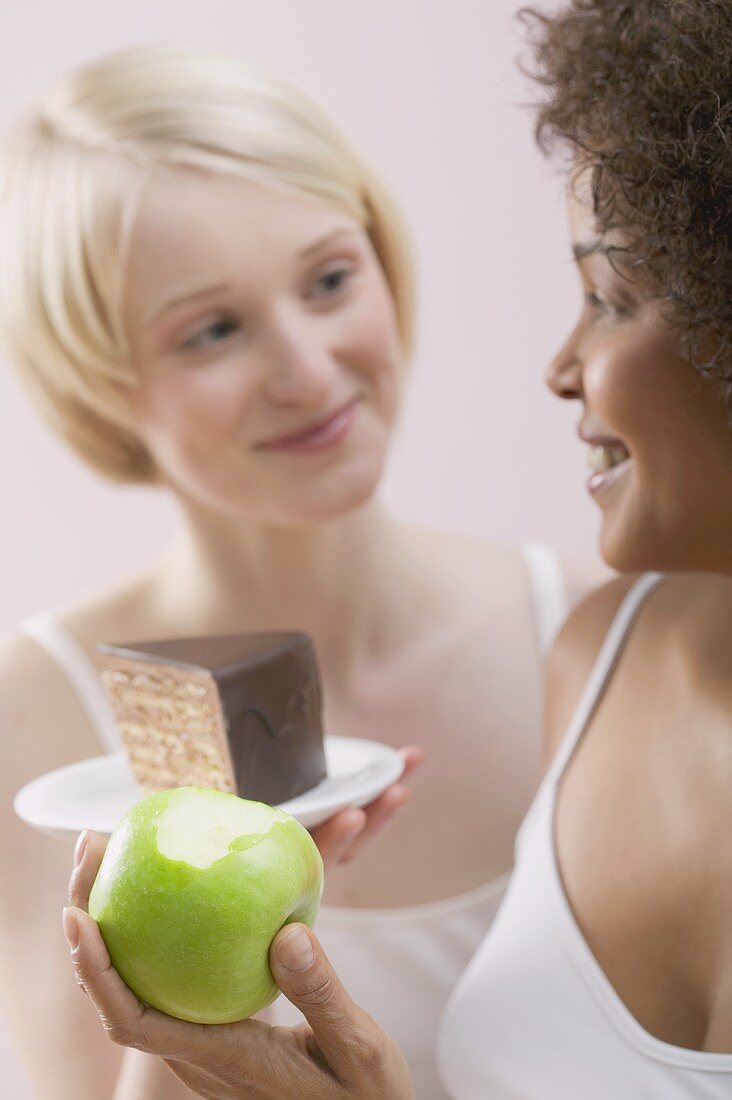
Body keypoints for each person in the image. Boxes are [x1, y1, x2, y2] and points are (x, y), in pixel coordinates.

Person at [64, 2, 732, 1096]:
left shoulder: (553, 622)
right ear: (98, 384)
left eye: (610, 296)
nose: (307, 369)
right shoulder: (607, 658)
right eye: (211, 328)